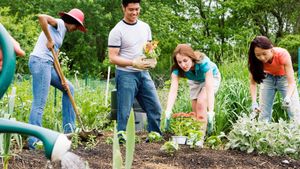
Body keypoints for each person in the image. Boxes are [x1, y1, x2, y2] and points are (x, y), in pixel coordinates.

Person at [27, 8, 87, 149]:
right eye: (77, 27)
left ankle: (69, 131)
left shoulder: (62, 32)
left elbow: (55, 59)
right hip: (40, 62)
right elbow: (42, 16)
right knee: (39, 103)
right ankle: (33, 141)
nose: (77, 29)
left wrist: (62, 79)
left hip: (47, 64)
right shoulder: (59, 23)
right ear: (72, 22)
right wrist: (49, 39)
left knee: (69, 88)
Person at [108, 0, 162, 140]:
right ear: (123, 8)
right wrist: (133, 62)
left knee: (155, 107)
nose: (134, 13)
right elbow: (112, 58)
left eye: (137, 9)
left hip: (143, 73)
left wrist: (151, 59)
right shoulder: (117, 31)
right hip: (126, 74)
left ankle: (154, 136)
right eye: (131, 9)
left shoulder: (145, 27)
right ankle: (121, 138)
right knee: (124, 111)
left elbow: (149, 49)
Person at [164, 44, 221, 137]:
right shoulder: (176, 70)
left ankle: (200, 138)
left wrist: (211, 111)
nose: (183, 65)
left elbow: (209, 89)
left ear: (191, 57)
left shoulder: (204, 63)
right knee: (196, 112)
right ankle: (197, 135)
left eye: (185, 60)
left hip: (212, 77)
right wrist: (168, 111)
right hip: (194, 80)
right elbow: (173, 90)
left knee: (201, 102)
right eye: (179, 62)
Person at [248, 36, 300, 123]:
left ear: (271, 49)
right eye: (258, 55)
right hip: (267, 78)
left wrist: (288, 97)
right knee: (263, 113)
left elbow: (291, 82)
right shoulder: (254, 61)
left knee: (294, 111)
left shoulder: (282, 54)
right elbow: (253, 83)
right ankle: (263, 134)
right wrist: (254, 102)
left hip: (284, 79)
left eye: (264, 54)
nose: (262, 58)